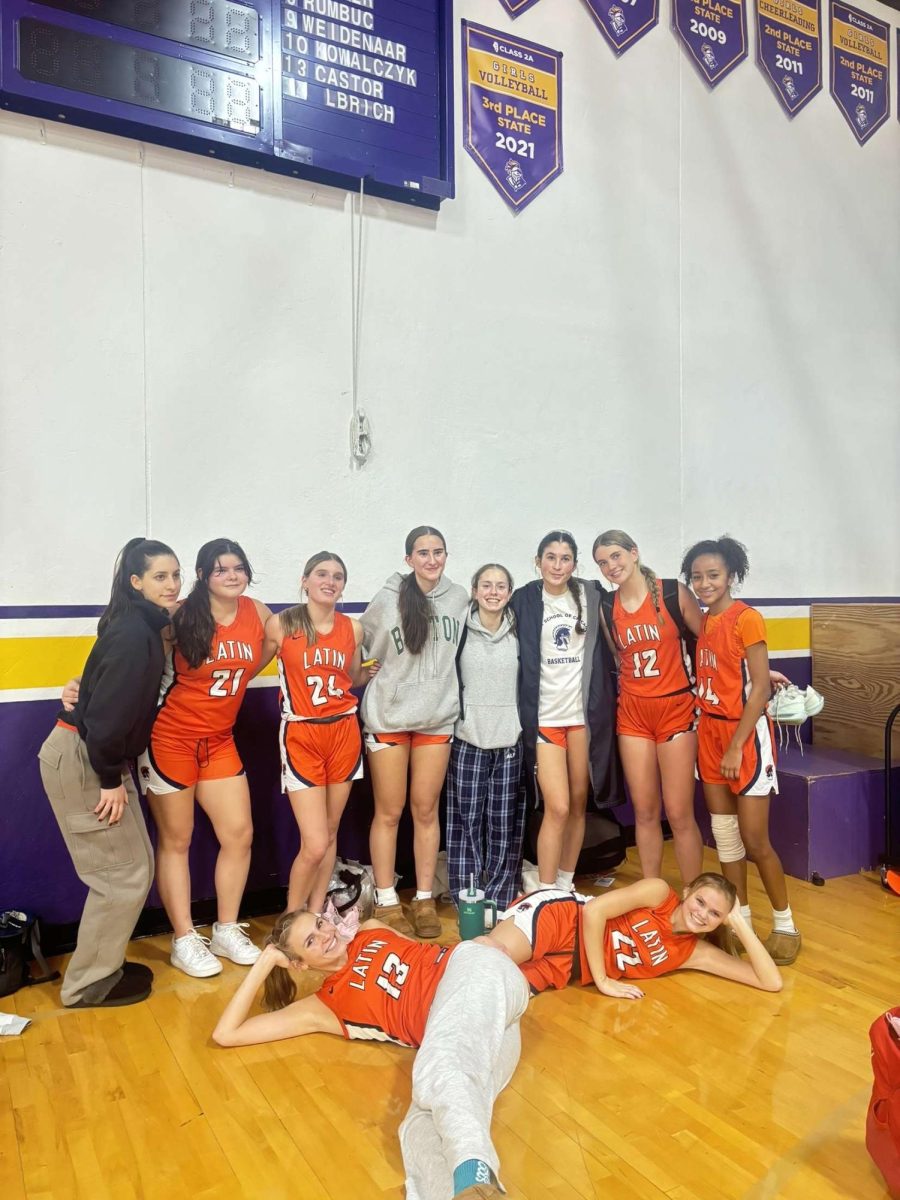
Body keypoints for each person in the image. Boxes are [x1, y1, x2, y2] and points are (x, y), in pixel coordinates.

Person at [212, 908, 529, 1200]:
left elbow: (432, 955)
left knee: (441, 1067)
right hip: (492, 1027)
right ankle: (471, 1192)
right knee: (419, 1126)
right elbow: (226, 1034)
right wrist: (265, 961)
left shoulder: (371, 929)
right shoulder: (324, 1007)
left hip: (473, 974)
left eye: (320, 924)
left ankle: (473, 1171)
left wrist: (479, 945)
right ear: (299, 964)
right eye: (311, 941)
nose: (326, 935)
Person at [37, 537, 181, 1008]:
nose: (172, 584)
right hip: (86, 761)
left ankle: (104, 968)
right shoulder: (133, 635)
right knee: (119, 876)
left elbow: (97, 694)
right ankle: (86, 985)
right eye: (160, 576)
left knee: (135, 865)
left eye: (176, 575)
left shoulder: (137, 625)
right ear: (136, 582)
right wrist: (109, 780)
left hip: (98, 757)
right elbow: (104, 723)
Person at [137, 538, 275, 978]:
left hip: (218, 740)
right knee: (177, 840)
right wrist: (80, 686)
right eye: (221, 569)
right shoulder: (177, 618)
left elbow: (268, 653)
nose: (232, 576)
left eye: (239, 567)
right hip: (170, 739)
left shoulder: (258, 613)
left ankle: (226, 928)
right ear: (203, 575)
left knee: (239, 834)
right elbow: (132, 666)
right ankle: (183, 938)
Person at [681, 536, 801, 965]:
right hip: (709, 733)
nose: (704, 583)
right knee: (727, 840)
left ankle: (785, 922)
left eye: (712, 575)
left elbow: (759, 690)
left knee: (754, 839)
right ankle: (740, 922)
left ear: (731, 575)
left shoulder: (746, 617)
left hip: (744, 737)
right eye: (697, 576)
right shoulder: (706, 620)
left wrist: (735, 746)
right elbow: (742, 670)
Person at [361, 526, 469, 938]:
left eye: (438, 551)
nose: (431, 559)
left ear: (446, 554)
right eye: (422, 553)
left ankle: (424, 896)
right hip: (389, 719)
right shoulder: (386, 600)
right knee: (389, 812)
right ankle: (388, 900)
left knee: (426, 810)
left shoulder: (458, 598)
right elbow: (364, 653)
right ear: (408, 559)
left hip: (436, 719)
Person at [592, 530, 705, 884]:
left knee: (679, 812)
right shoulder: (606, 607)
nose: (611, 566)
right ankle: (651, 892)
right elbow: (617, 659)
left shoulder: (672, 593)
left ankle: (691, 894)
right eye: (602, 562)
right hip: (633, 714)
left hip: (675, 709)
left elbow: (709, 644)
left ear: (633, 553)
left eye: (615, 556)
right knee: (644, 811)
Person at [509, 531, 618, 893]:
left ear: (575, 563)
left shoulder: (589, 594)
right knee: (555, 807)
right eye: (550, 557)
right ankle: (544, 888)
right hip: (545, 720)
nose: (557, 565)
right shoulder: (523, 599)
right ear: (537, 561)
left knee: (577, 806)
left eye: (565, 558)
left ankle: (566, 882)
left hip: (580, 719)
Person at [266, 551, 375, 914]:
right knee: (313, 843)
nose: (330, 581)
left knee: (329, 835)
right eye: (321, 574)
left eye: (338, 576)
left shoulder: (353, 628)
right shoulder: (282, 625)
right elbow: (246, 666)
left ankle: (315, 913)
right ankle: (290, 918)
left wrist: (369, 674)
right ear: (305, 580)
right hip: (302, 734)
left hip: (344, 732)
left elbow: (353, 677)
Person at [484, 872, 783, 996]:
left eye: (715, 914)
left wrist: (740, 925)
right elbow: (594, 912)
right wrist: (603, 981)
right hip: (562, 918)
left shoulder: (693, 953)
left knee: (491, 991)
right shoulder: (659, 893)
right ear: (687, 892)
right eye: (700, 902)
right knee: (487, 959)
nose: (702, 914)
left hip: (567, 968)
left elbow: (770, 982)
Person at [446, 564, 524, 911]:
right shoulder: (459, 628)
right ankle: (469, 896)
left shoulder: (521, 629)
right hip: (468, 739)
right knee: (466, 823)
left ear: (510, 591)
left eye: (501, 586)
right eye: (486, 585)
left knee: (503, 823)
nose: (493, 592)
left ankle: (501, 894)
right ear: (474, 590)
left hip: (509, 740)